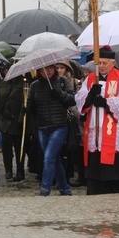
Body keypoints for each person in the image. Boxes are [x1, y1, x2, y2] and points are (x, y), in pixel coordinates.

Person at [76, 47, 119, 195]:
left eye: (104, 63)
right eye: (99, 63)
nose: (101, 66)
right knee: (96, 153)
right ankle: (95, 186)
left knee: (114, 157)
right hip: (95, 125)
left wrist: (105, 102)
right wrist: (90, 96)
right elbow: (79, 97)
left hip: (114, 126)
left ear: (113, 63)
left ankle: (116, 186)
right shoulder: (91, 78)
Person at [26, 63, 75, 197]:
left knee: (48, 158)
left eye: (51, 68)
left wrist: (59, 93)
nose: (48, 71)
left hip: (59, 125)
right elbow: (31, 107)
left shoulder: (62, 81)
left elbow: (72, 100)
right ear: (39, 70)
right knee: (54, 158)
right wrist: (27, 107)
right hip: (42, 127)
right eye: (44, 68)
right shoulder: (34, 85)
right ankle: (65, 188)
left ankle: (45, 190)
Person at [0, 66, 26, 183]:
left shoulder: (22, 83)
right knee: (6, 148)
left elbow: (24, 101)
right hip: (5, 121)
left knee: (19, 149)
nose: (6, 71)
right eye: (4, 70)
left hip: (17, 121)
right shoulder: (3, 83)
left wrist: (21, 117)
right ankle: (8, 170)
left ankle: (20, 171)